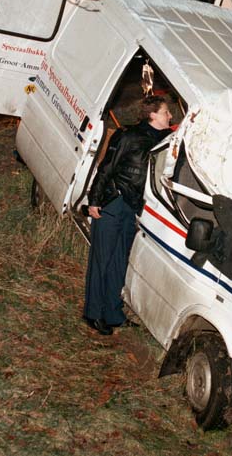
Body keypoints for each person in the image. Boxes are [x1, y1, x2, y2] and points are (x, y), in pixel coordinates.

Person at [83, 96, 172, 335]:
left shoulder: (165, 139)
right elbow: (106, 168)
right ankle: (93, 313)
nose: (170, 116)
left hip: (134, 207)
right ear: (153, 115)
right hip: (113, 202)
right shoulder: (129, 136)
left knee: (119, 260)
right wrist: (94, 201)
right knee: (102, 259)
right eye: (166, 112)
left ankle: (112, 313)